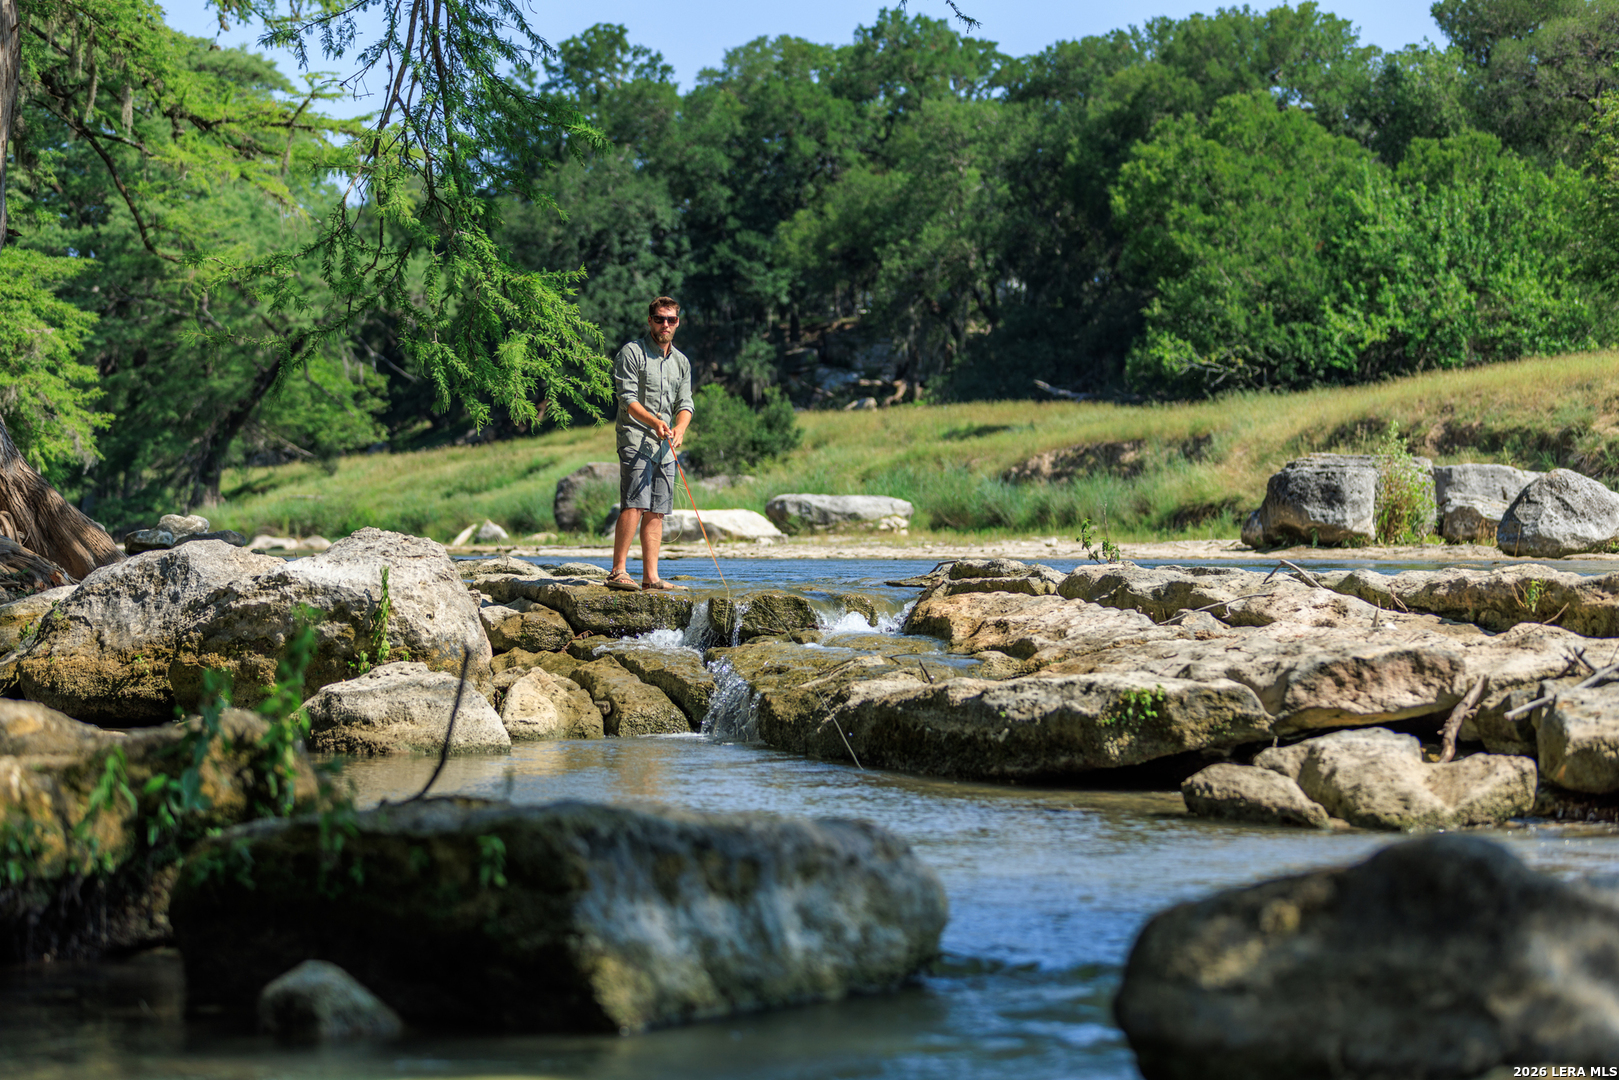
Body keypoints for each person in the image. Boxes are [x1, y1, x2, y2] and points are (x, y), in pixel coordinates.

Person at [606, 296, 694, 592]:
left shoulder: (682, 362)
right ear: (650, 321)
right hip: (634, 438)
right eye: (659, 319)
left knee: (657, 509)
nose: (665, 325)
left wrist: (680, 427)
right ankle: (618, 571)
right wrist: (654, 422)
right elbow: (627, 399)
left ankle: (651, 578)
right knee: (634, 503)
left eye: (670, 320)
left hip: (664, 446)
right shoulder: (632, 352)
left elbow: (685, 403)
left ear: (677, 322)